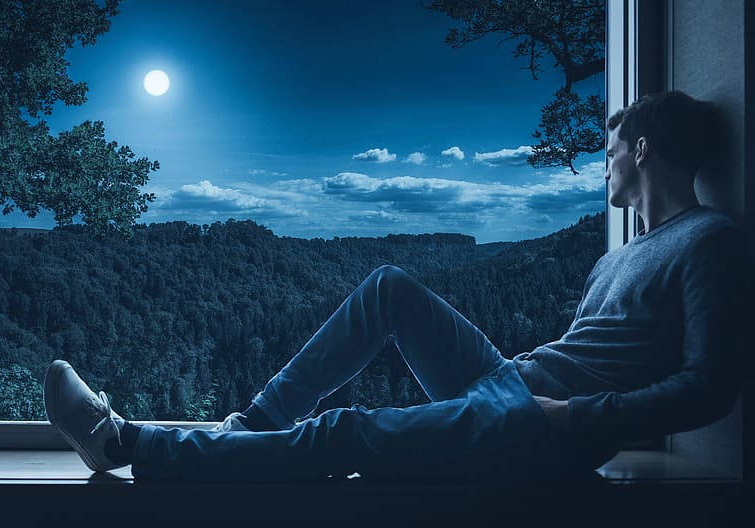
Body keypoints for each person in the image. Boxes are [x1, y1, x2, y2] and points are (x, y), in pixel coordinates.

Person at [43, 91, 749, 482]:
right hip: (515, 384)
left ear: (644, 151)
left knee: (345, 430)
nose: (606, 167)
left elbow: (711, 385)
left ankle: (123, 444)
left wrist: (574, 417)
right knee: (387, 285)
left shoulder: (708, 239)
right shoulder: (620, 256)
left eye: (612, 151)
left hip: (544, 425)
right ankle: (253, 426)